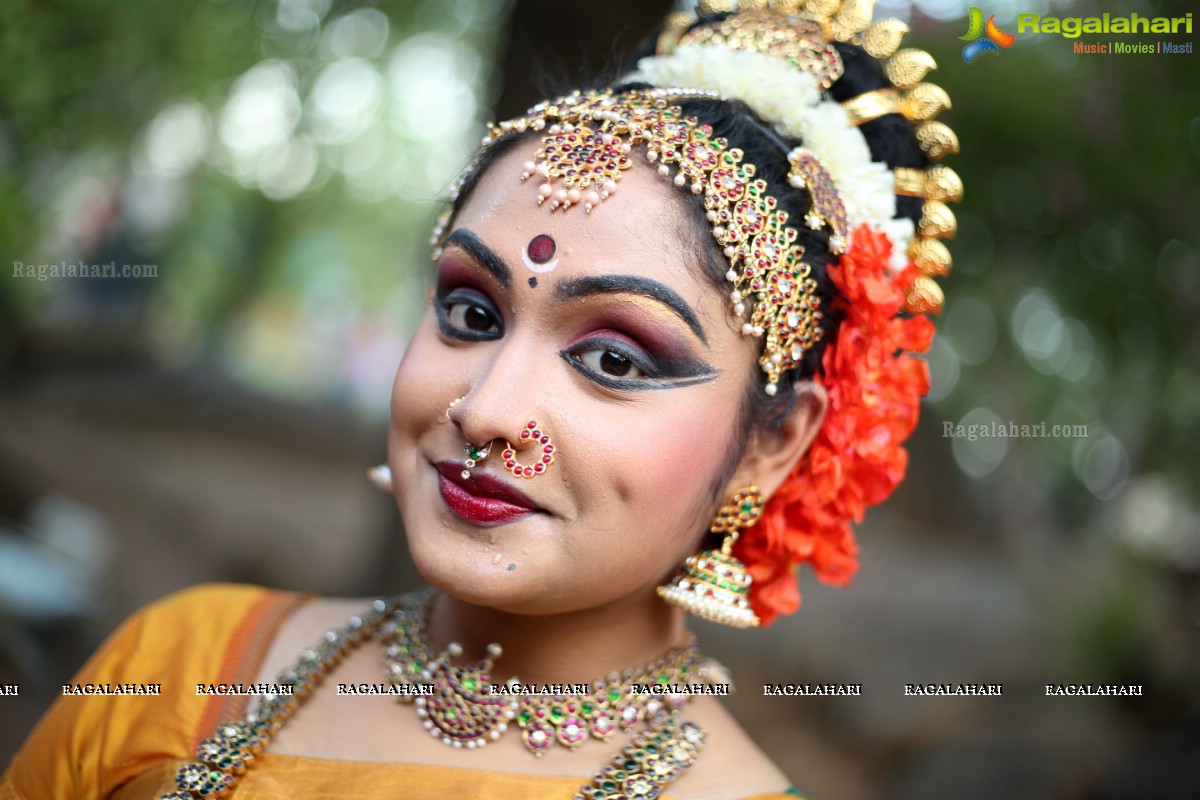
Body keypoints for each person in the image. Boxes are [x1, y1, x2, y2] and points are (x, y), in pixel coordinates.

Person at [1, 1, 961, 798]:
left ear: (773, 444)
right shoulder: (179, 667)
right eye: (470, 310)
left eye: (616, 361)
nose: (488, 409)